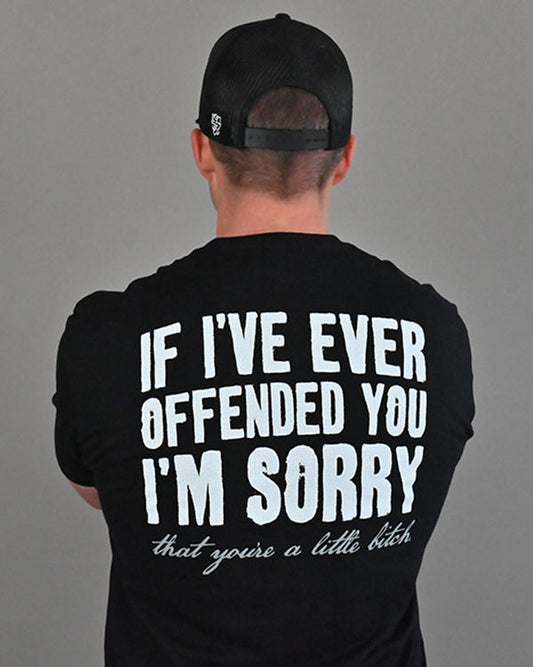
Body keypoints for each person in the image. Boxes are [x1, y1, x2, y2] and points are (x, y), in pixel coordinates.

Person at [53, 13, 475, 667]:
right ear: (344, 158)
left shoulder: (105, 336)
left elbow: (111, 492)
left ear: (202, 149)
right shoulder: (433, 334)